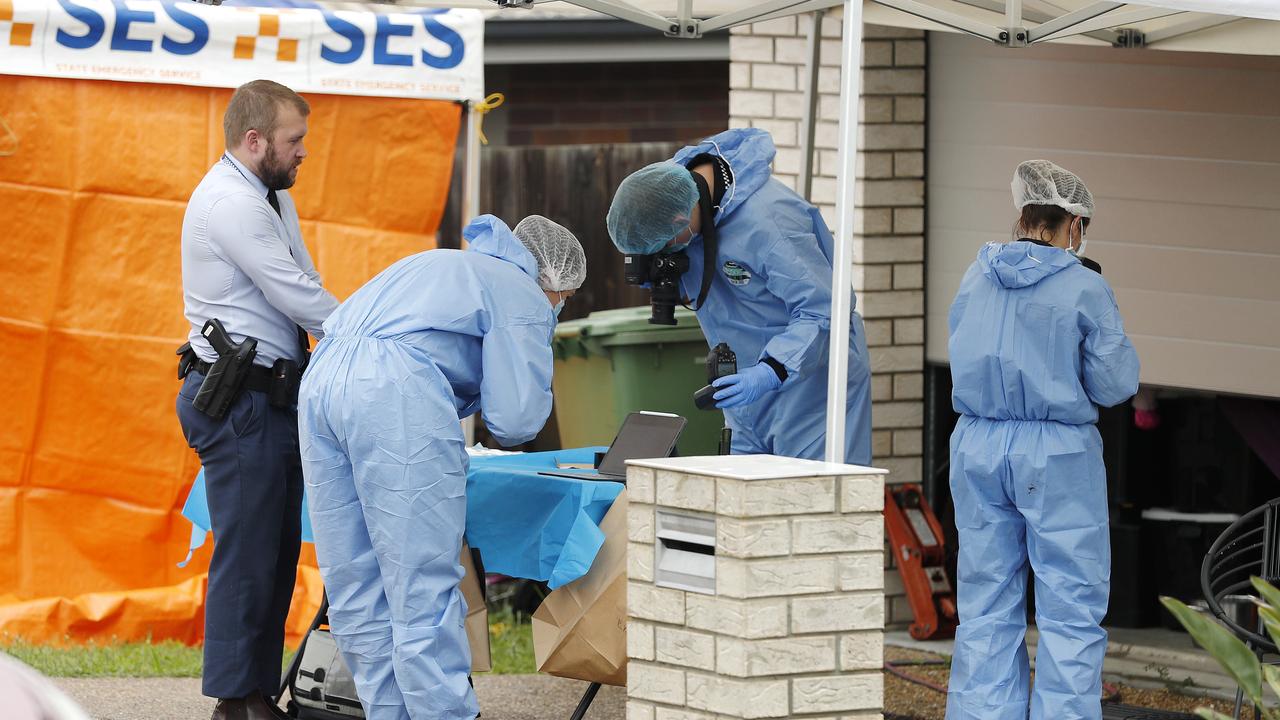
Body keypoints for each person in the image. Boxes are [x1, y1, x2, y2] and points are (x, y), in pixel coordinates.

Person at [299, 214, 586, 720]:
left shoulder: (447, 265)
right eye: (563, 300)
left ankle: (387, 712)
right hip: (392, 393)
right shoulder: (522, 294)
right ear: (555, 284)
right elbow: (516, 419)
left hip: (321, 381)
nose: (559, 310)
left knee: (353, 582)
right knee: (420, 583)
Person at [945, 159, 1140, 720]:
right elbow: (1114, 383)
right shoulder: (1085, 285)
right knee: (1070, 608)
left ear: (1024, 216)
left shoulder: (974, 274)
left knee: (984, 604)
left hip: (976, 444)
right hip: (1055, 453)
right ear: (1073, 226)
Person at [176, 79, 338, 720]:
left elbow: (303, 280)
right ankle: (238, 700)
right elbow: (295, 293)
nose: (302, 151)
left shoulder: (265, 196)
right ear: (255, 140)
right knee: (248, 554)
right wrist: (368, 327)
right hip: (239, 398)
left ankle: (248, 699)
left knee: (270, 553)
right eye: (293, 140)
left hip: (268, 398)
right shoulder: (233, 204)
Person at [605, 128, 872, 464]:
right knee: (747, 506)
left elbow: (825, 309)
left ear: (679, 220)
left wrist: (772, 370)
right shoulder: (671, 196)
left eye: (666, 244)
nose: (670, 251)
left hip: (812, 389)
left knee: (814, 503)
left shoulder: (770, 220)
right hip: (745, 393)